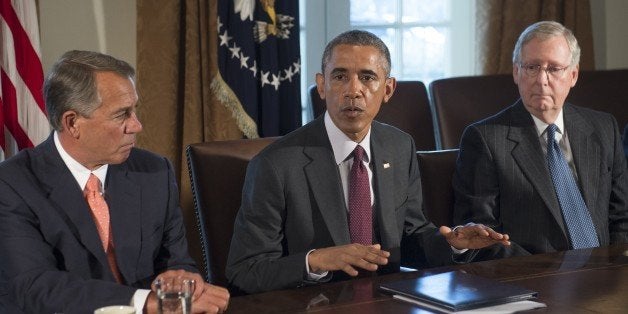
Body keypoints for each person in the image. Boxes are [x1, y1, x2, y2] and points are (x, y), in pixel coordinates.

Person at [226, 30, 510, 294]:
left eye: (367, 77)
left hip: (388, 301)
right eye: (339, 77)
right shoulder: (275, 164)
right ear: (322, 86)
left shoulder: (399, 146)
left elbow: (410, 239)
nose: (353, 90)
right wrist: (315, 261)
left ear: (388, 89)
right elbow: (245, 271)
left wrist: (452, 244)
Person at [0, 51, 229, 314]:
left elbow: (177, 262)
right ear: (72, 122)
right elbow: (37, 287)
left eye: (134, 111)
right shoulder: (12, 184)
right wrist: (152, 303)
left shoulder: (154, 172)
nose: (137, 125)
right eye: (122, 114)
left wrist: (182, 281)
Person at [453, 21, 628, 261]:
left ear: (573, 75)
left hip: (606, 278)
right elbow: (482, 238)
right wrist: (547, 274)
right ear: (516, 72)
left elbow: (622, 216)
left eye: (554, 69)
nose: (541, 80)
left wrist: (616, 269)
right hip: (535, 281)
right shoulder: (485, 139)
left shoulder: (603, 128)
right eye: (532, 67)